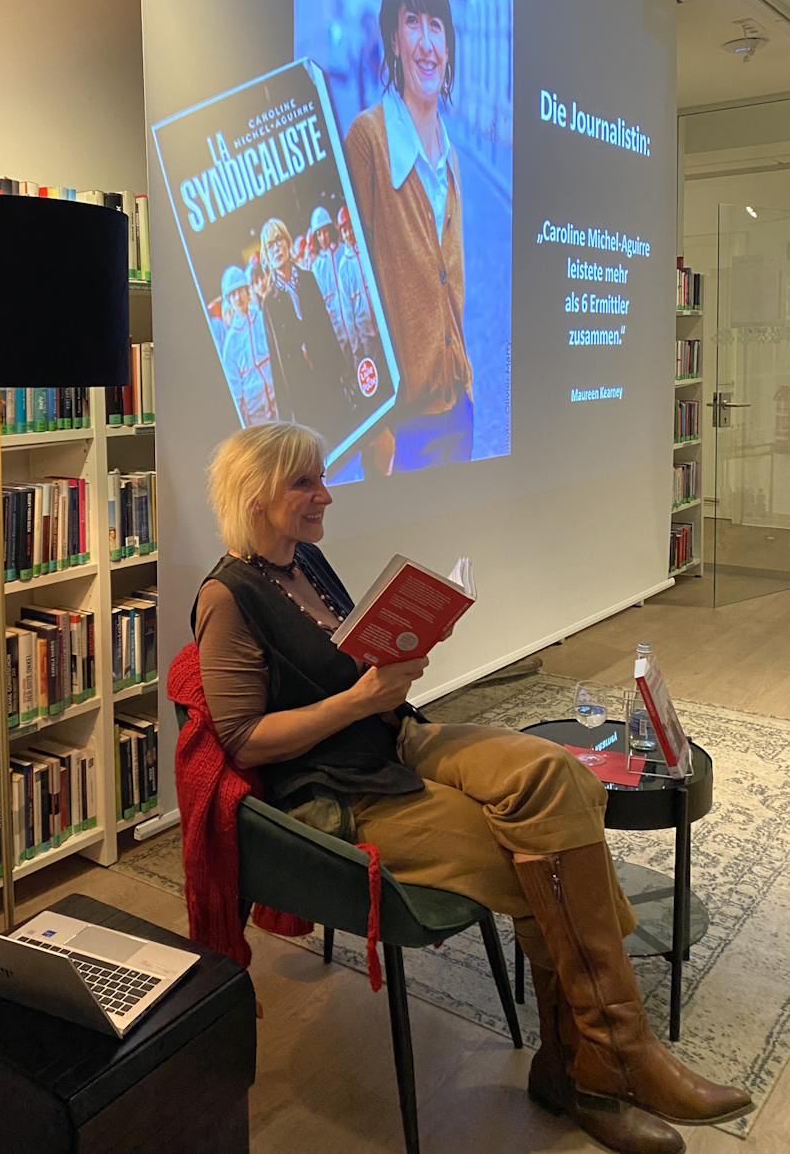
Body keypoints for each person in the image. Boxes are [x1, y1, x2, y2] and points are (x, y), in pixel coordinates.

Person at [193, 421, 752, 1154]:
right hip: (334, 785)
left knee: (556, 776)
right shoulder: (228, 597)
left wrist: (405, 647)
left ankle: (602, 1053)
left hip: (392, 738)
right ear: (256, 496)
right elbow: (242, 739)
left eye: (322, 477)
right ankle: (595, 1066)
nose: (326, 494)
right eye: (306, 482)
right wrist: (360, 699)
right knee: (536, 856)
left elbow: (351, 665)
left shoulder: (306, 561)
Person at [345, 0, 473, 475]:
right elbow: (353, 299)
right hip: (403, 432)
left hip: (457, 415)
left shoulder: (451, 155)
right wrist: (377, 431)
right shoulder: (368, 141)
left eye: (436, 25)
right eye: (413, 21)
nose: (426, 42)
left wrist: (466, 388)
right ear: (394, 39)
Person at [260, 218, 356, 443]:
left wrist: (342, 368)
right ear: (266, 255)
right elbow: (277, 359)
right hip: (302, 388)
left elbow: (325, 325)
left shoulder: (308, 278)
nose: (276, 248)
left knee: (344, 433)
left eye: (279, 240)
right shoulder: (269, 303)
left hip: (326, 372)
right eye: (270, 245)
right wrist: (285, 413)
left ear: (287, 242)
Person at [220, 264, 276, 425]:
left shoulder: (263, 318)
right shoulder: (230, 341)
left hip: (278, 397)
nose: (238, 297)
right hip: (256, 411)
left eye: (240, 290)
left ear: (247, 291)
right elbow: (234, 384)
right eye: (233, 294)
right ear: (229, 300)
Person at [307, 207, 353, 361]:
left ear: (331, 230)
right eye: (319, 234)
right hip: (335, 323)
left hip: (352, 316)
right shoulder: (316, 267)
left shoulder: (343, 251)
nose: (323, 237)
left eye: (325, 232)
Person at [335, 204, 378, 367]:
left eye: (350, 228)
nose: (349, 234)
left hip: (382, 324)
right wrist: (355, 344)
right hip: (365, 333)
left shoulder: (368, 249)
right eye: (344, 231)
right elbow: (347, 310)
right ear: (341, 234)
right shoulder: (343, 267)